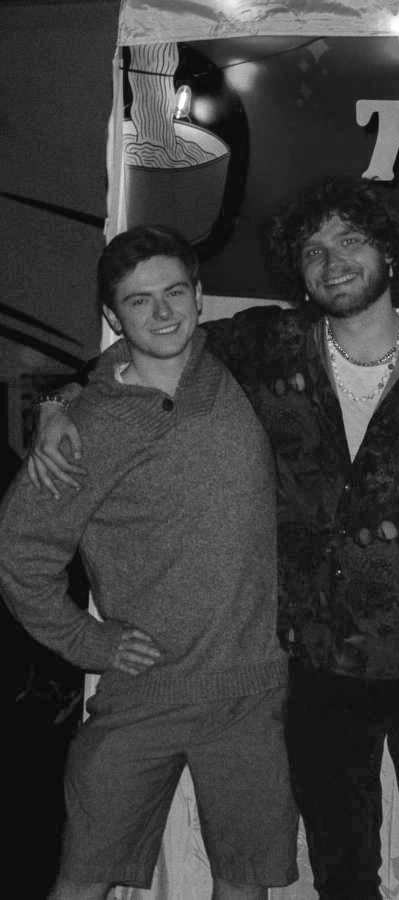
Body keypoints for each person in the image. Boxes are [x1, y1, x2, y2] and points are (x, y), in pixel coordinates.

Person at [30, 177, 399, 899]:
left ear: (388, 250)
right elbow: (153, 345)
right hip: (314, 667)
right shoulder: (264, 345)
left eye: (351, 241)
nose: (333, 262)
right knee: (342, 874)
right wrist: (63, 401)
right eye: (314, 250)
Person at [0, 225, 298, 899]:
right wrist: (88, 640)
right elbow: (19, 552)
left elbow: (347, 325)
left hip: (250, 694)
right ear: (112, 316)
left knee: (244, 886)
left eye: (174, 293)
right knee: (80, 881)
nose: (163, 313)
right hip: (142, 694)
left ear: (200, 295)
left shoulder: (247, 369)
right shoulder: (89, 428)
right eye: (139, 302)